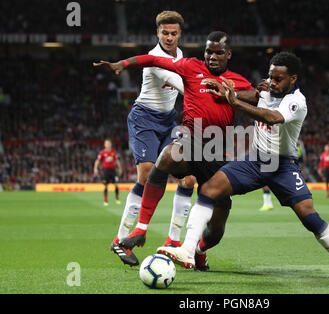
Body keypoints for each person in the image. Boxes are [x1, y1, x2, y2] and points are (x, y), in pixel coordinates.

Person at [157, 52, 329, 281]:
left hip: (283, 165)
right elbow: (253, 96)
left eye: (278, 79)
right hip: (255, 160)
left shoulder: (296, 101)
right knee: (208, 189)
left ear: (293, 79)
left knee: (308, 215)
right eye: (270, 76)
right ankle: (189, 250)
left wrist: (235, 101)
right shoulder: (267, 90)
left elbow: (271, 117)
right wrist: (229, 94)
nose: (272, 82)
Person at [94, 31, 255, 270]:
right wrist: (124, 64)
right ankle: (141, 229)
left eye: (218, 52)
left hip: (216, 152)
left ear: (228, 54)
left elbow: (255, 95)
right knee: (167, 156)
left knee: (216, 230)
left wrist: (230, 94)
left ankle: (200, 250)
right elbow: (154, 60)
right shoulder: (190, 67)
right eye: (208, 51)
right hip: (190, 140)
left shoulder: (235, 80)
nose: (212, 56)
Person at [95, 11, 196, 267]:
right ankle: (120, 239)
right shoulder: (155, 59)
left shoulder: (181, 55)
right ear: (157, 33)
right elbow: (184, 86)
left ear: (180, 34)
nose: (170, 37)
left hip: (168, 121)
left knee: (189, 177)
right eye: (165, 33)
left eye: (174, 33)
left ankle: (173, 242)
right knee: (147, 174)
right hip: (144, 119)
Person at [93, 138, 122, 206]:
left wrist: (120, 168)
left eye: (108, 143)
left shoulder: (113, 152)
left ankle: (117, 199)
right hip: (106, 171)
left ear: (110, 144)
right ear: (104, 145)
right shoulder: (102, 153)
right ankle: (106, 200)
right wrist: (95, 168)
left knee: (116, 185)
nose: (107, 144)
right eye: (106, 143)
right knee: (106, 186)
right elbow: (97, 161)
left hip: (113, 170)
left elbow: (117, 161)